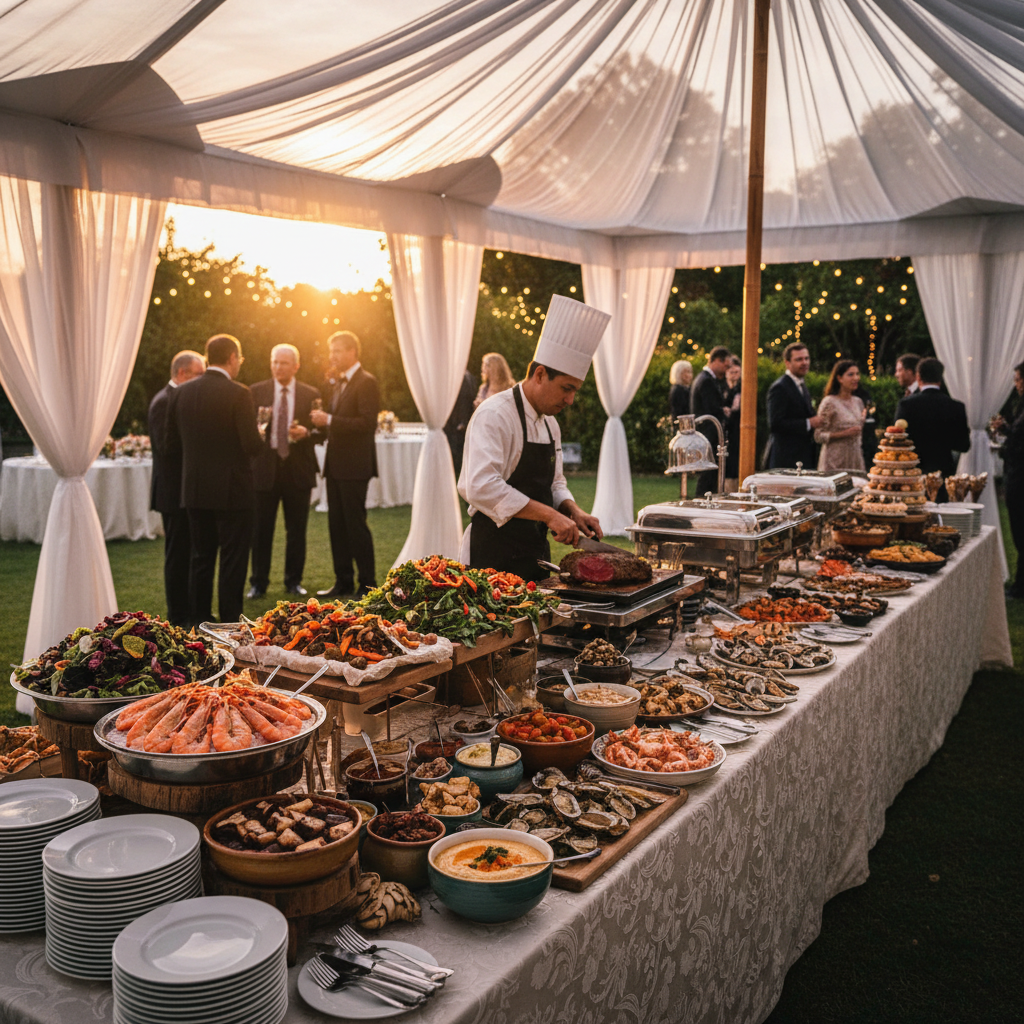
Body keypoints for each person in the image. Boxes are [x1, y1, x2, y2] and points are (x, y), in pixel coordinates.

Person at [458, 294, 610, 581]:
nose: (571, 400)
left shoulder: (551, 424)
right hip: (491, 557)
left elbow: (555, 483)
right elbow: (480, 486)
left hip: (536, 555)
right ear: (540, 374)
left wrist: (571, 509)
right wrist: (551, 516)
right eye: (566, 388)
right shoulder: (495, 415)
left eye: (576, 390)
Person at [165, 334, 263, 624]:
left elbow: (170, 445)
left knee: (201, 558)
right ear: (232, 357)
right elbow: (252, 446)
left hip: (194, 490)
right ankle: (230, 619)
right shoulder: (239, 393)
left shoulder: (181, 393)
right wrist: (262, 435)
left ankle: (199, 618)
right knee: (233, 559)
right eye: (240, 359)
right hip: (233, 490)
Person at [247, 344, 321, 599]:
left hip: (298, 469)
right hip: (264, 470)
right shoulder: (255, 392)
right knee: (260, 530)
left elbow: (321, 432)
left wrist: (306, 434)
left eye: (284, 363)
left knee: (297, 530)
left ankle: (293, 581)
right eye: (275, 362)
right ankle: (258, 583)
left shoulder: (310, 394)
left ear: (296, 366)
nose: (279, 367)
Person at [309, 331, 380, 598]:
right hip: (336, 465)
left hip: (355, 467)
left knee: (355, 525)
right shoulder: (338, 383)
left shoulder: (366, 382)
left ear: (352, 351)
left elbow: (366, 423)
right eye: (331, 351)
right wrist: (309, 433)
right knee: (336, 526)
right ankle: (343, 581)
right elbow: (335, 425)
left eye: (337, 351)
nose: (332, 356)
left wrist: (328, 420)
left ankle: (367, 583)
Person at [148, 349, 205, 626]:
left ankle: (193, 610)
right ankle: (178, 614)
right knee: (177, 556)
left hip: (185, 493)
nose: (202, 382)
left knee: (191, 553)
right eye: (199, 375)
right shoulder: (164, 401)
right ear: (182, 374)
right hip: (172, 494)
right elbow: (166, 448)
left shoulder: (179, 398)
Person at [894, 357, 970, 500]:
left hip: (913, 473)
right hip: (944, 472)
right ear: (940, 379)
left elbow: (898, 441)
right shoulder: (956, 407)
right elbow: (963, 445)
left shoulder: (906, 405)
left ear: (918, 377)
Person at [766, 342, 820, 470]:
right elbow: (775, 424)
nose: (804, 363)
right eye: (799, 359)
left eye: (806, 358)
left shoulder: (801, 384)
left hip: (803, 456)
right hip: (786, 458)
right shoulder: (780, 387)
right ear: (787, 363)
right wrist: (808, 423)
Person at [690, 346, 731, 494]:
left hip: (707, 434)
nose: (726, 370)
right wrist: (724, 411)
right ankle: (702, 501)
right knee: (708, 475)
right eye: (726, 366)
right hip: (709, 434)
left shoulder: (703, 378)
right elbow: (711, 408)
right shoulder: (706, 380)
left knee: (709, 475)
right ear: (717, 361)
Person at [814, 360, 867, 473]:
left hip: (855, 460)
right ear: (839, 378)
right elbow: (818, 436)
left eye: (857, 374)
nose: (856, 378)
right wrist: (844, 434)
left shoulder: (858, 402)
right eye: (850, 374)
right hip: (834, 462)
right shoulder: (829, 402)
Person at [1000, 362, 1024, 598]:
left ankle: (1021, 586)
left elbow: (1017, 446)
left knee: (1020, 531)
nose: (1016, 384)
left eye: (1017, 379)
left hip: (1020, 480)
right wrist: (1007, 429)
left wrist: (1003, 448)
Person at [444, 368, 477, 475]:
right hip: (453, 421)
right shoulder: (465, 377)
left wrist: (463, 421)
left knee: (457, 449)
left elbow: (466, 400)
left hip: (459, 421)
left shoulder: (467, 377)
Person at [723, 357, 742, 490]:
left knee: (734, 465)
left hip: (737, 430)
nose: (734, 375)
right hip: (727, 430)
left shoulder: (740, 389)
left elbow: (735, 408)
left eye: (736, 372)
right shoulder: (723, 387)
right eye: (731, 372)